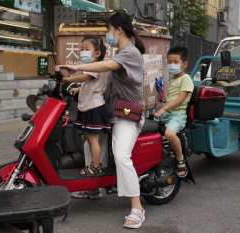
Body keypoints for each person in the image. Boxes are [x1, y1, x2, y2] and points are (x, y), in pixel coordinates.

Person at [57, 11, 146, 229]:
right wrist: (80, 86)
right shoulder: (121, 52)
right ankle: (94, 188)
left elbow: (106, 67)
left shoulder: (130, 53)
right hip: (110, 112)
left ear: (119, 30)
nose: (107, 34)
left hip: (127, 115)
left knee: (121, 155)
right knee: (91, 144)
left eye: (108, 29)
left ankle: (137, 208)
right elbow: (110, 83)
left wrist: (77, 67)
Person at [60, 34, 110, 177]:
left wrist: (67, 79)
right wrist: (78, 88)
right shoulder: (90, 66)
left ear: (97, 53)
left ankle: (96, 167)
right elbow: (87, 82)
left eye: (87, 49)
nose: (83, 52)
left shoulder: (95, 66)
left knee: (92, 139)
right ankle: (94, 165)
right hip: (88, 106)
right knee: (89, 138)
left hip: (94, 108)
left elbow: (85, 77)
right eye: (82, 48)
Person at [154, 45, 194, 178]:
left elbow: (181, 99)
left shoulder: (186, 79)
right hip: (167, 113)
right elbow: (170, 99)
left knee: (169, 134)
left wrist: (164, 108)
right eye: (169, 62)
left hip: (178, 115)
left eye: (176, 62)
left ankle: (180, 158)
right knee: (146, 130)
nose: (172, 65)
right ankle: (166, 155)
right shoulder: (172, 80)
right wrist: (162, 99)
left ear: (184, 64)